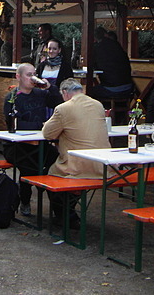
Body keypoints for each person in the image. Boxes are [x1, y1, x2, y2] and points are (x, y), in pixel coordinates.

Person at [42, 78, 110, 228]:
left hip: (78, 167)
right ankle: (70, 212)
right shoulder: (98, 105)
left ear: (65, 93)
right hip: (102, 166)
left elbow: (47, 134)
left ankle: (67, 216)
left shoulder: (64, 108)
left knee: (49, 174)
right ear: (81, 91)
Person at [3, 63, 60, 216]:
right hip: (17, 146)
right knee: (30, 167)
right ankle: (25, 201)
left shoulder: (40, 94)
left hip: (40, 145)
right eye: (28, 75)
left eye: (34, 73)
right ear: (18, 77)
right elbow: (14, 125)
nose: (32, 78)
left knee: (57, 161)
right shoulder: (12, 97)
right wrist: (40, 125)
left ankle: (60, 210)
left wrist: (50, 87)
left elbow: (59, 103)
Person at [90, 26, 133, 100]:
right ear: (106, 34)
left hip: (111, 88)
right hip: (129, 86)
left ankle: (103, 110)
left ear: (95, 38)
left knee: (88, 92)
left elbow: (93, 65)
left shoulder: (97, 49)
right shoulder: (117, 45)